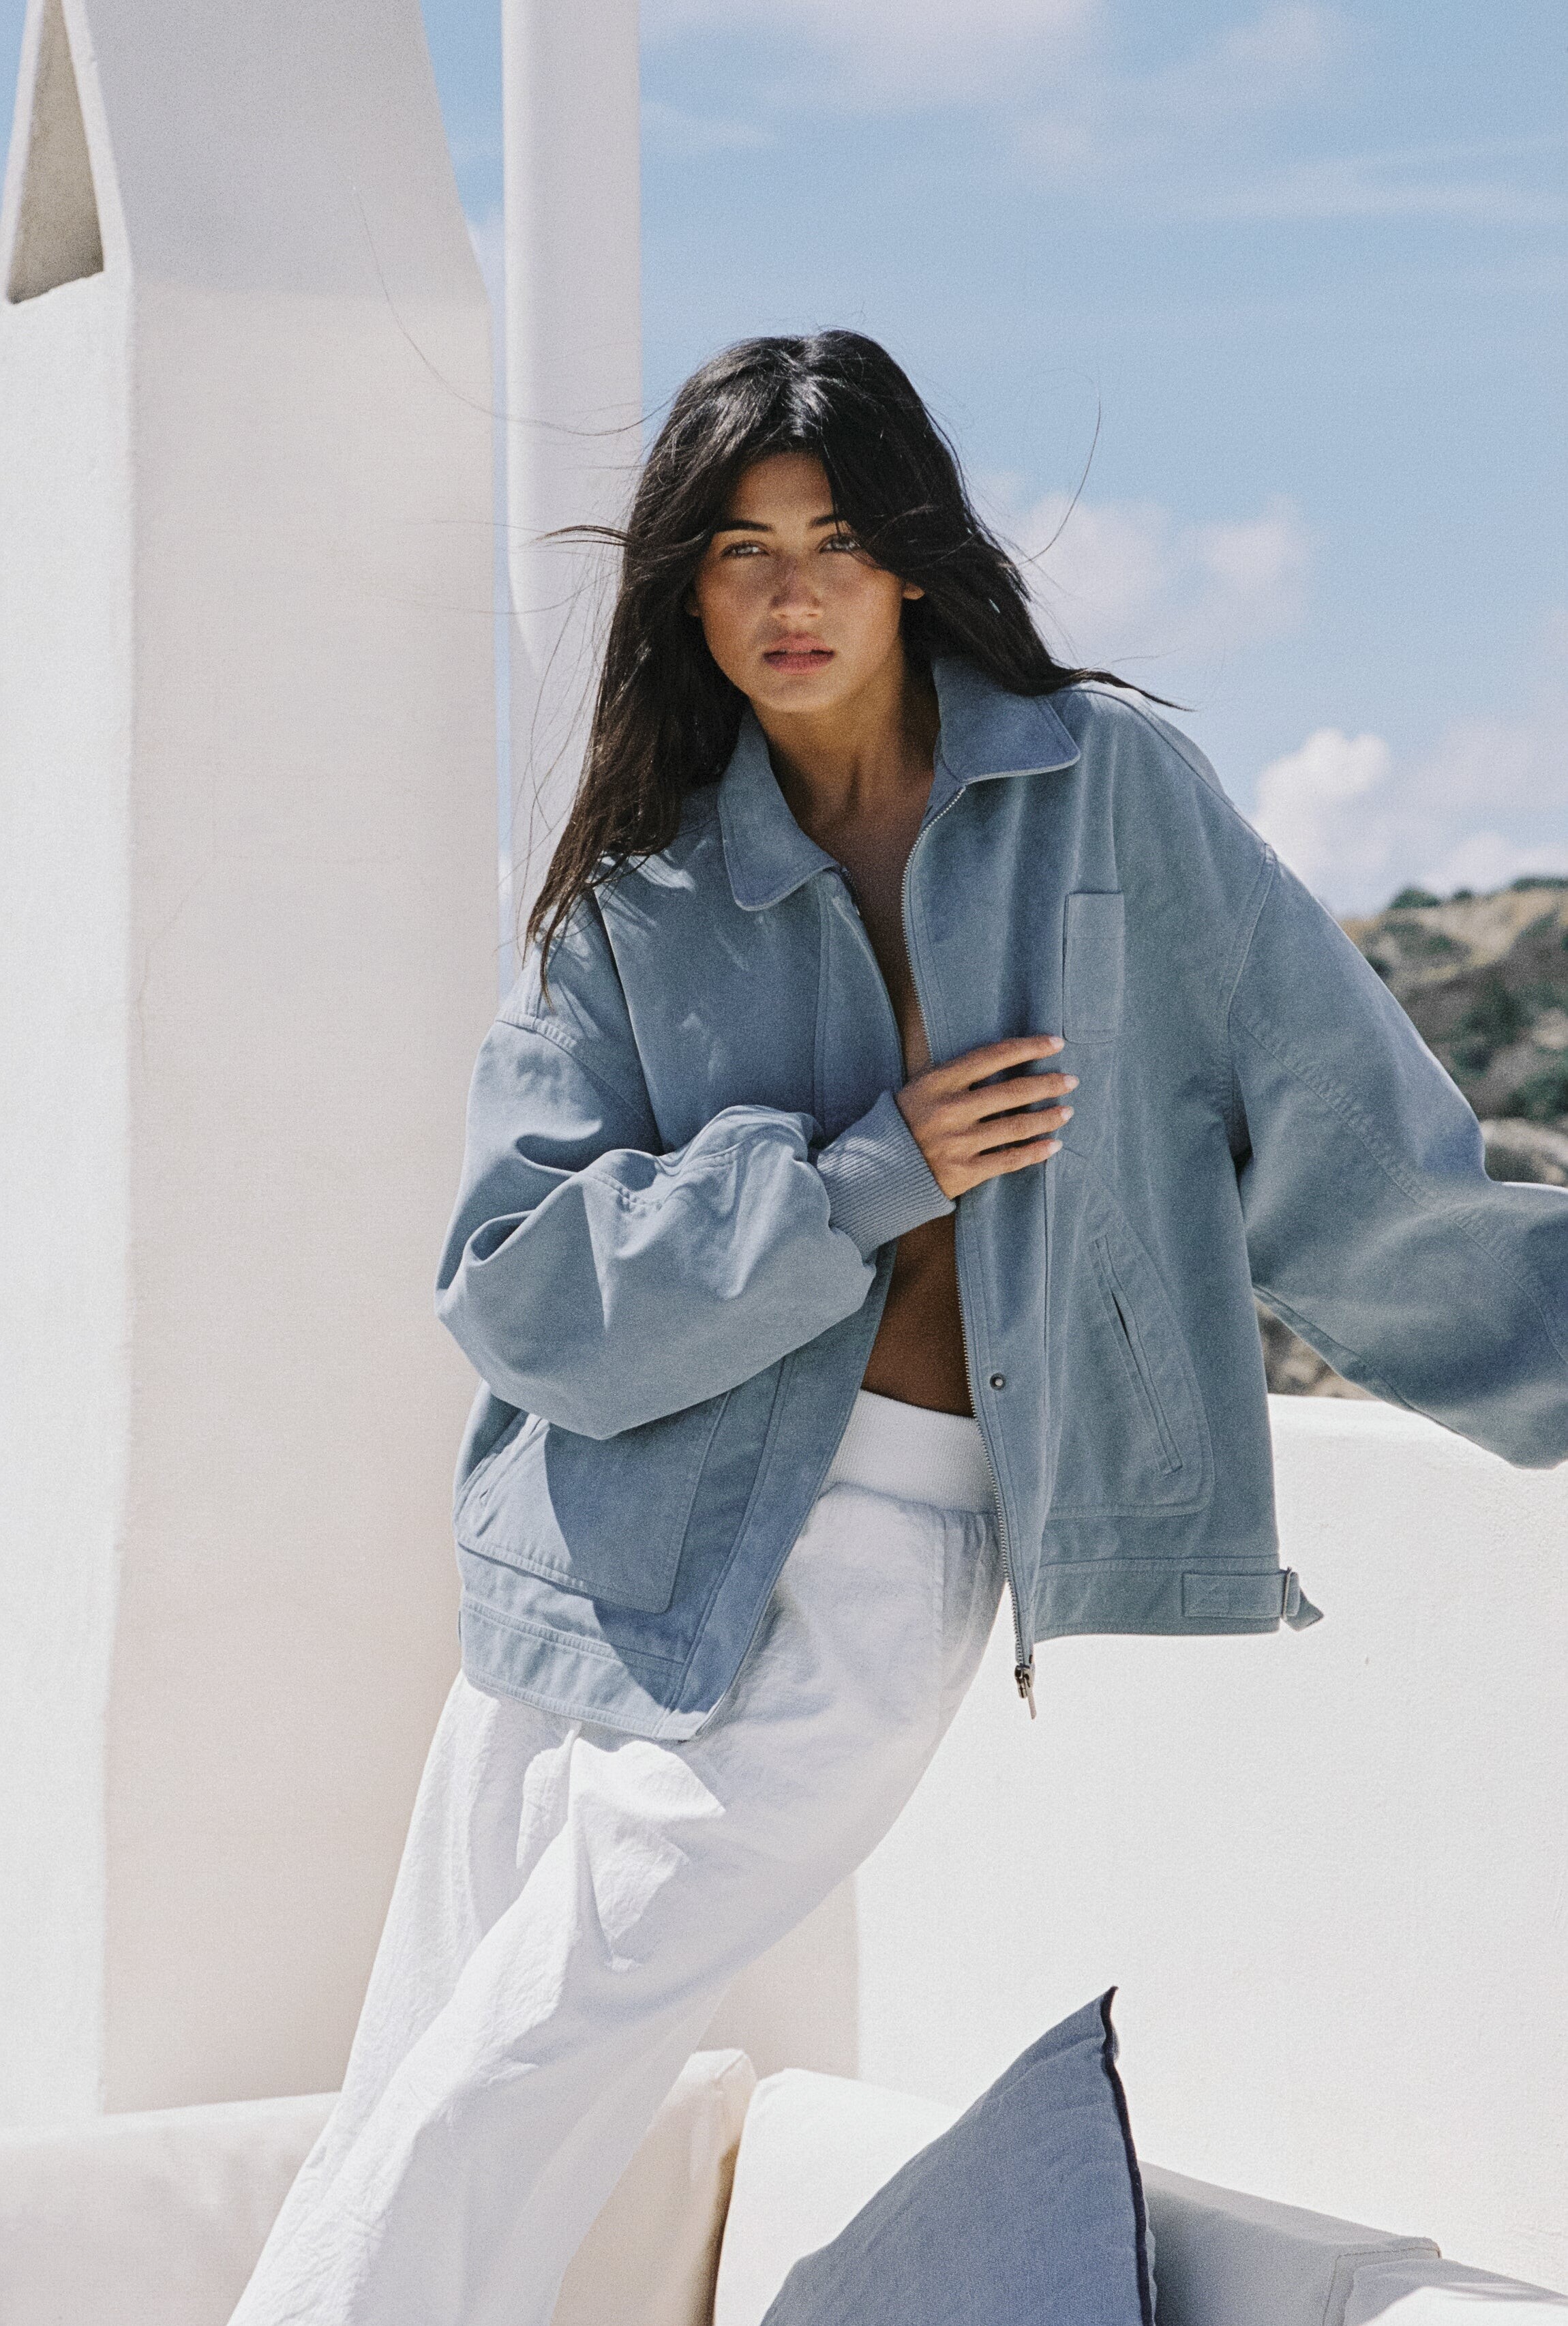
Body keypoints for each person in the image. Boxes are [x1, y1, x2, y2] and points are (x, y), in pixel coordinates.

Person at [230, 331, 1568, 2325]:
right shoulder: (638, 893)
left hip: (885, 1544)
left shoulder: (1109, 797)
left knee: (507, 2070)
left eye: (836, 540)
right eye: (741, 549)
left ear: (915, 563)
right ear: (687, 592)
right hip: (591, 1555)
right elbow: (514, 1283)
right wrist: (860, 1175)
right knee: (443, 2093)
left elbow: (1348, 1149)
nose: (792, 593)